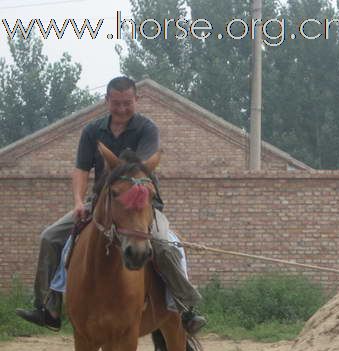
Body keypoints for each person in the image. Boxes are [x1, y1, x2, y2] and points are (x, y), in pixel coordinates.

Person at [16, 76, 206, 334]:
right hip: (102, 203)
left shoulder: (147, 129)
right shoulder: (92, 131)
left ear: (136, 100)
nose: (122, 108)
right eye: (116, 103)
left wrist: (113, 163)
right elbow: (81, 170)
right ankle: (48, 307)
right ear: (107, 101)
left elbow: (137, 168)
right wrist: (78, 202)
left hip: (141, 204)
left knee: (164, 245)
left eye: (127, 103)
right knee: (50, 237)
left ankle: (185, 308)